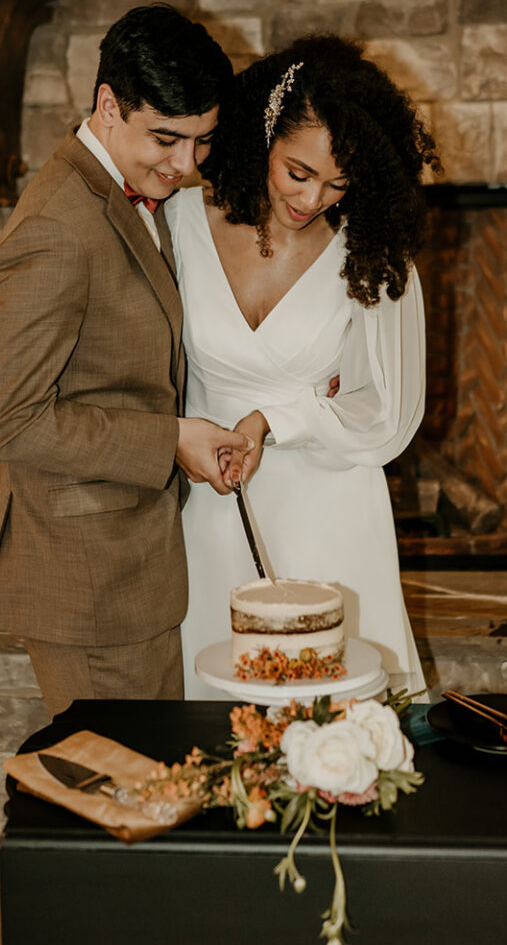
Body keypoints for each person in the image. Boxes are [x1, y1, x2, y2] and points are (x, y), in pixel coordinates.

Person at [0, 4, 250, 719]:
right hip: (88, 586)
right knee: (125, 801)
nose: (185, 165)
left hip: (127, 568)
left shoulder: (120, 193)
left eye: (201, 141)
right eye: (166, 138)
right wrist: (170, 439)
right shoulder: (59, 228)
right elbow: (1, 421)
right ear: (107, 105)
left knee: (145, 797)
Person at [165, 34, 441, 700]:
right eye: (299, 172)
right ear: (264, 131)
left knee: (342, 736)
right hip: (212, 506)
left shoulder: (373, 253)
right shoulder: (177, 223)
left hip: (332, 510)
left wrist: (274, 420)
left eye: (338, 184)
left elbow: (389, 416)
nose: (314, 199)